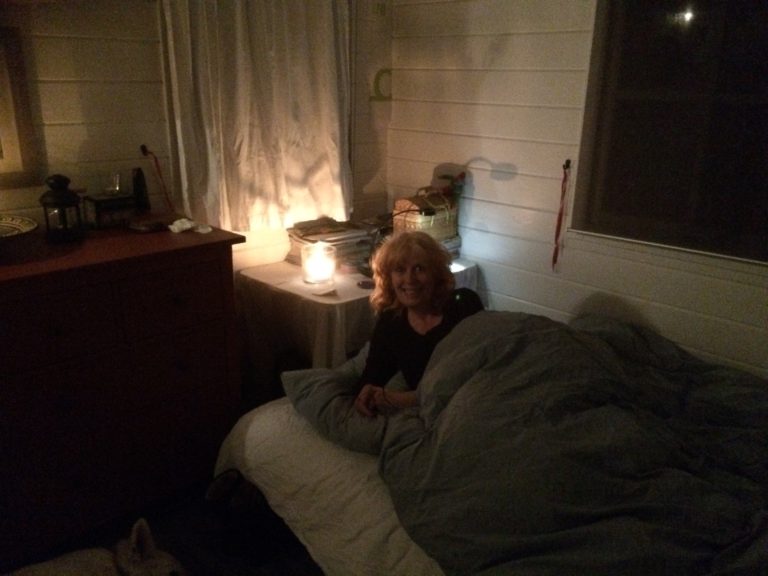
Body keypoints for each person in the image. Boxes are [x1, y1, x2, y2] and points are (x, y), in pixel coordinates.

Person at [354, 231, 483, 417]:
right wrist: (366, 395)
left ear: (436, 274)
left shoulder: (464, 304)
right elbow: (373, 375)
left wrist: (406, 399)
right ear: (389, 278)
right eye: (400, 270)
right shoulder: (391, 322)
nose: (409, 280)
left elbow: (476, 373)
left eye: (419, 269)